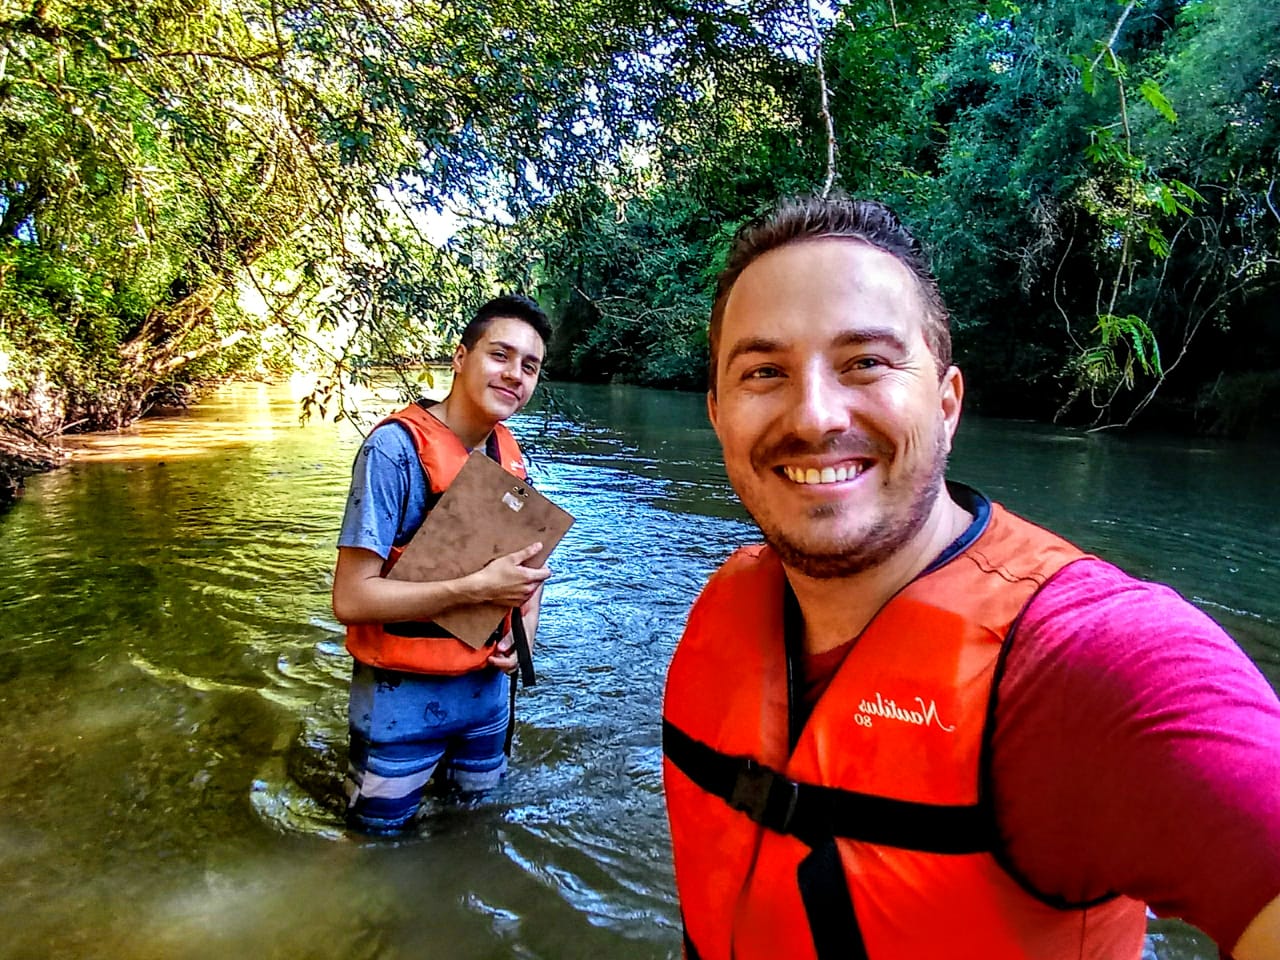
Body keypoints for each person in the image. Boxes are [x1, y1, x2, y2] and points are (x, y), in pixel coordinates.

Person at [661, 196, 1280, 959]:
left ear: (947, 405)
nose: (816, 415)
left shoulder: (1094, 660)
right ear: (719, 415)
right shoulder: (732, 599)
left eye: (866, 362)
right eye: (764, 371)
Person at [333, 294, 553, 834]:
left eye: (530, 366)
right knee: (375, 846)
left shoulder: (508, 452)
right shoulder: (393, 452)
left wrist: (522, 627)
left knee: (476, 835)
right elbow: (351, 599)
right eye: (501, 356)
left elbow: (527, 569)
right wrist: (476, 588)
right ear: (460, 358)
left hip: (484, 701)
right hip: (398, 701)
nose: (515, 375)